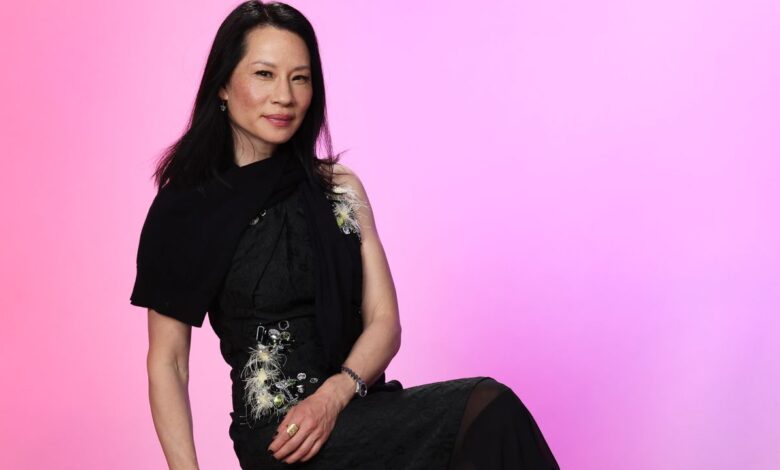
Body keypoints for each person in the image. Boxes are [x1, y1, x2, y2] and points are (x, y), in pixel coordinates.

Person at [130, 1, 560, 469]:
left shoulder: (338, 188)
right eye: (264, 74)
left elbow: (384, 322)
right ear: (222, 85)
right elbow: (168, 363)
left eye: (300, 78)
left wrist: (332, 396)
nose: (284, 96)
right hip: (281, 438)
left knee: (491, 414)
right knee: (490, 410)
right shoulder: (187, 206)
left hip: (353, 403)